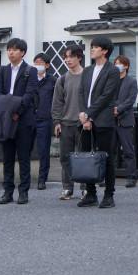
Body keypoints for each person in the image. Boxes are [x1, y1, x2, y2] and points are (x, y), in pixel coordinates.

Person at [0, 37, 39, 205]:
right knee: (7, 157)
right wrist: (7, 110)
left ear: (22, 52)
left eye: (14, 49)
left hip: (24, 119)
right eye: (9, 49)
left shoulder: (30, 71)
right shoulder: (2, 70)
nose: (10, 52)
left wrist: (17, 111)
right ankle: (7, 191)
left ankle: (23, 192)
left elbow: (30, 94)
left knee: (24, 157)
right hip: (6, 119)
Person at [78, 35, 121, 208]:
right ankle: (91, 193)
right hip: (86, 120)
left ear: (104, 51)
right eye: (92, 46)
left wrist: (89, 114)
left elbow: (106, 96)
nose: (92, 49)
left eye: (95, 47)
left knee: (106, 157)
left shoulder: (113, 71)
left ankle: (109, 194)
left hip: (103, 120)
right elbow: (82, 93)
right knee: (87, 156)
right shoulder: (87, 70)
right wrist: (84, 115)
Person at [52, 45, 86, 200]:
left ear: (79, 57)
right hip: (65, 123)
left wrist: (89, 118)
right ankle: (67, 188)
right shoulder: (62, 79)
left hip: (83, 123)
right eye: (65, 57)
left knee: (84, 157)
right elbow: (57, 102)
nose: (67, 60)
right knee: (65, 157)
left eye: (71, 56)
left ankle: (85, 188)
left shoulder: (87, 76)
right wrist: (56, 121)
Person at [113, 55, 138, 188]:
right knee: (110, 151)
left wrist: (119, 109)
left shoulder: (131, 81)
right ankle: (107, 177)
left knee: (128, 150)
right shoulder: (111, 81)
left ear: (126, 66)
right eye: (116, 63)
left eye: (120, 63)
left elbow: (131, 99)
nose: (117, 66)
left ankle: (131, 177)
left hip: (125, 120)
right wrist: (112, 109)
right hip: (111, 120)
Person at [32, 54, 57, 191]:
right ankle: (25, 178)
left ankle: (42, 179)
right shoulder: (29, 79)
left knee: (43, 151)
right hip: (29, 119)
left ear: (47, 65)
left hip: (45, 119)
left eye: (40, 63)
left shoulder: (53, 80)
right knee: (25, 149)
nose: (38, 65)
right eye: (35, 63)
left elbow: (57, 100)